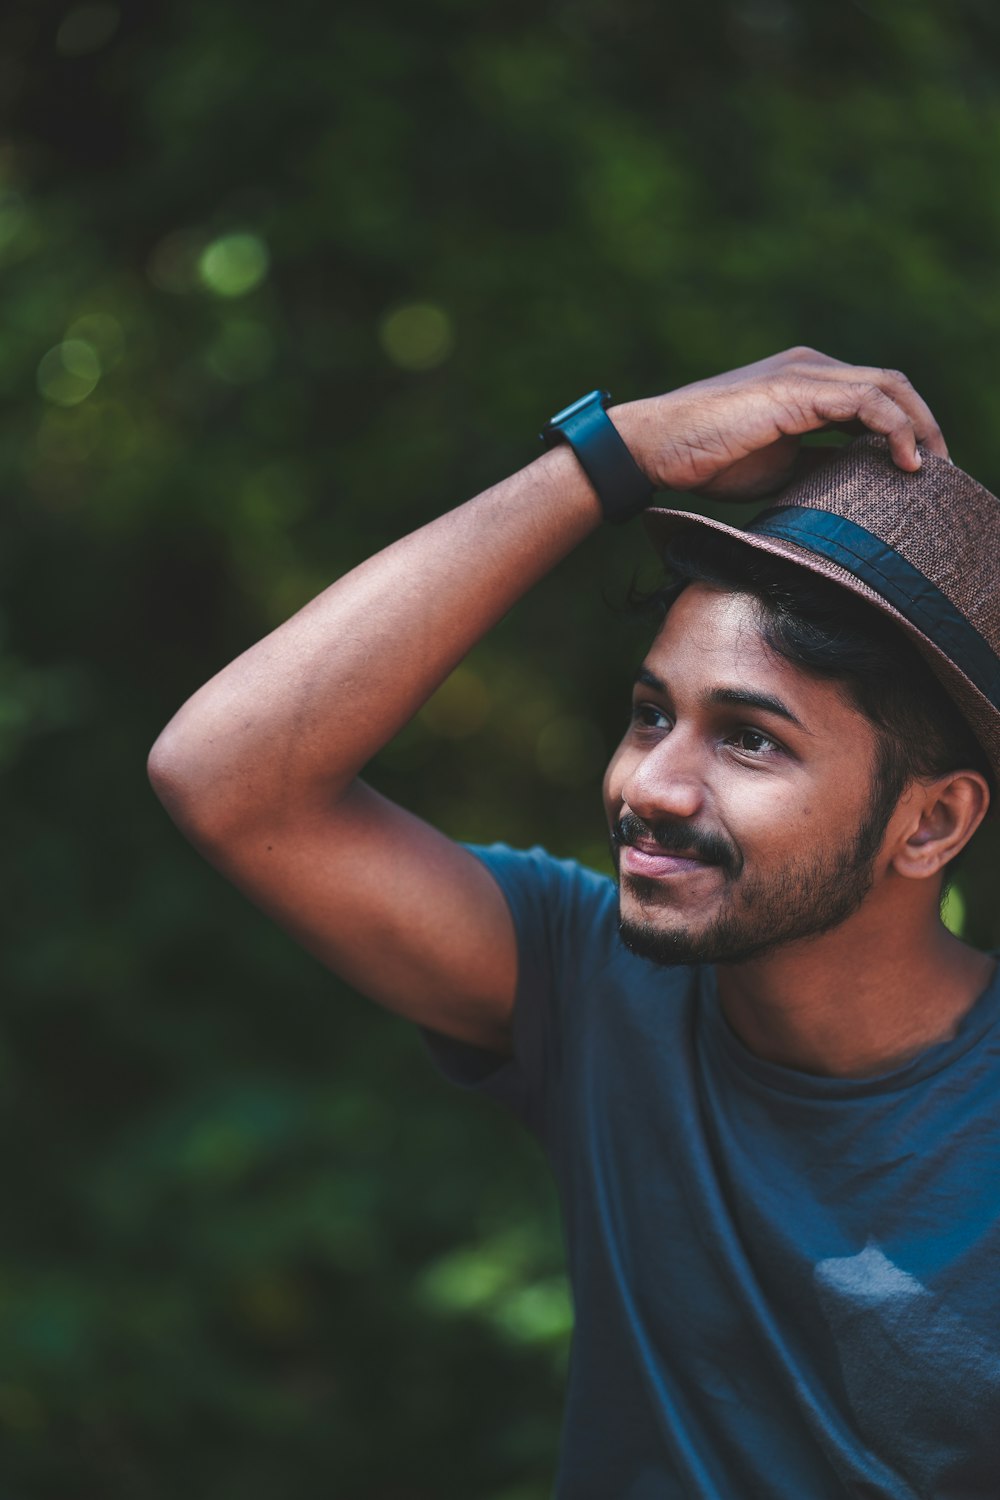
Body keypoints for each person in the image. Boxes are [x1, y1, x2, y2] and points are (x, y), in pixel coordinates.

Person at [147, 347, 1000, 1498]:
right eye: (652, 714)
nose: (653, 785)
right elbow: (224, 777)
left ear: (930, 823)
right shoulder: (593, 979)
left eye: (749, 738)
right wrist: (613, 457)